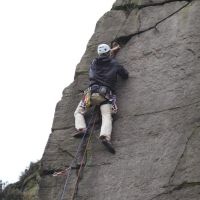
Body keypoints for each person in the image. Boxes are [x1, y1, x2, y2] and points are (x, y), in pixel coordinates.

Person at [73, 43, 129, 154]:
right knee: (107, 116)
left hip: (91, 94)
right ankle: (105, 136)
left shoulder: (94, 62)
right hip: (106, 95)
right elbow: (125, 75)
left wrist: (111, 51)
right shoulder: (115, 63)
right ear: (109, 52)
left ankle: (82, 129)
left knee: (78, 112)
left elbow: (103, 59)